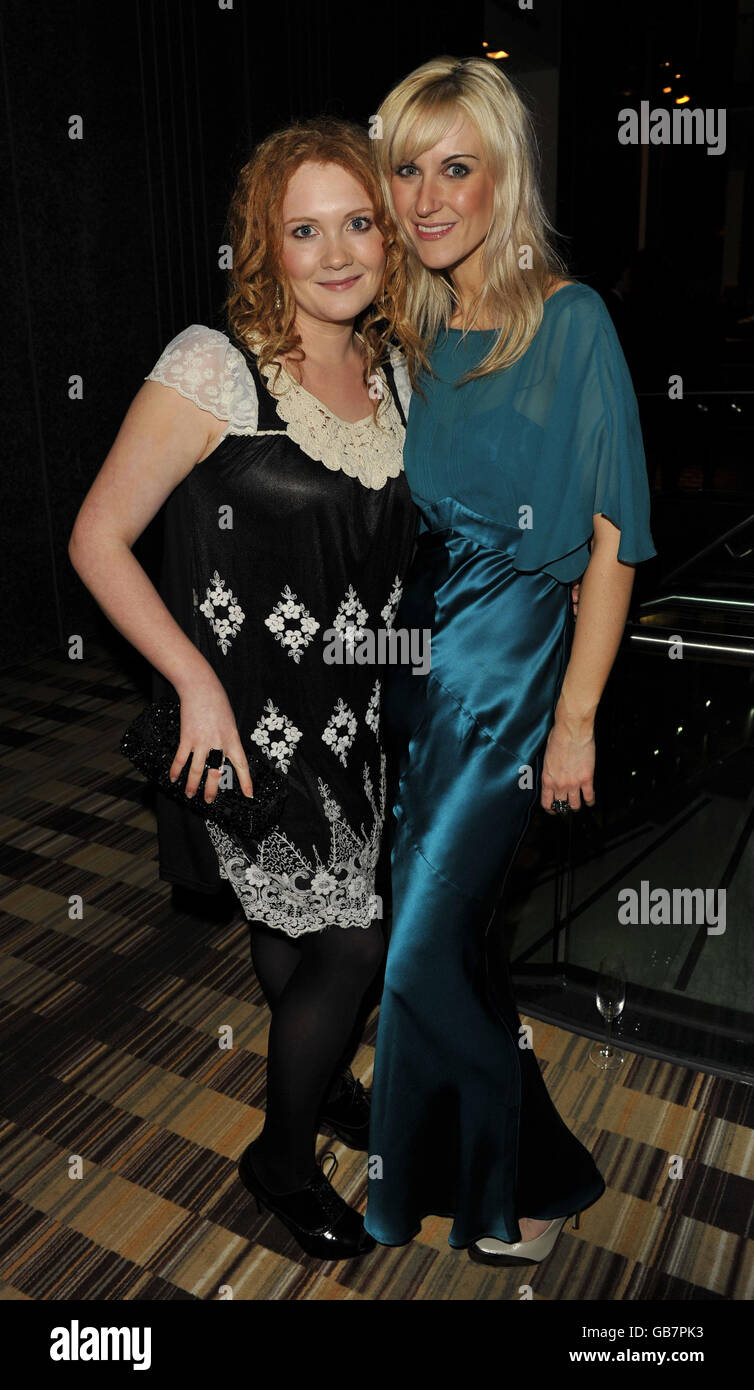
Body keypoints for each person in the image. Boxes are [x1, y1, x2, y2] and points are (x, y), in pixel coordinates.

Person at [68, 118, 417, 1262]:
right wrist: (193, 689)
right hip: (245, 725)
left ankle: (309, 1079)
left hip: (357, 716)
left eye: (355, 222)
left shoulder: (397, 371)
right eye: (301, 228)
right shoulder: (211, 363)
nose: (333, 252)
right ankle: (278, 1151)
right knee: (355, 941)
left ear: (387, 232)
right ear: (263, 245)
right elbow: (99, 539)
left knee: (301, 927)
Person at [363, 57, 657, 1265]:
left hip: (515, 670)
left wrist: (576, 717)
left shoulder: (571, 317)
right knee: (447, 938)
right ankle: (479, 1155)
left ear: (503, 180)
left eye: (456, 168)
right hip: (422, 659)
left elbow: (613, 538)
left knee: (422, 940)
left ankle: (528, 1180)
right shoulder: (420, 326)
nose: (428, 196)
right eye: (407, 169)